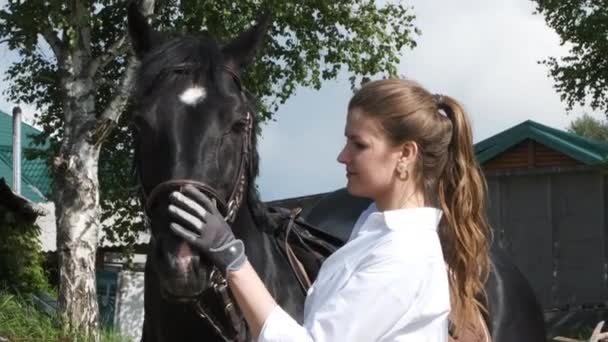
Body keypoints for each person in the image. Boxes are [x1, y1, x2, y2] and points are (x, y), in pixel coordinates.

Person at [167, 79, 492, 341]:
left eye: (359, 145)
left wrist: (233, 260)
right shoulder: (376, 230)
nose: (342, 156)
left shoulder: (402, 256)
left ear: (405, 154)